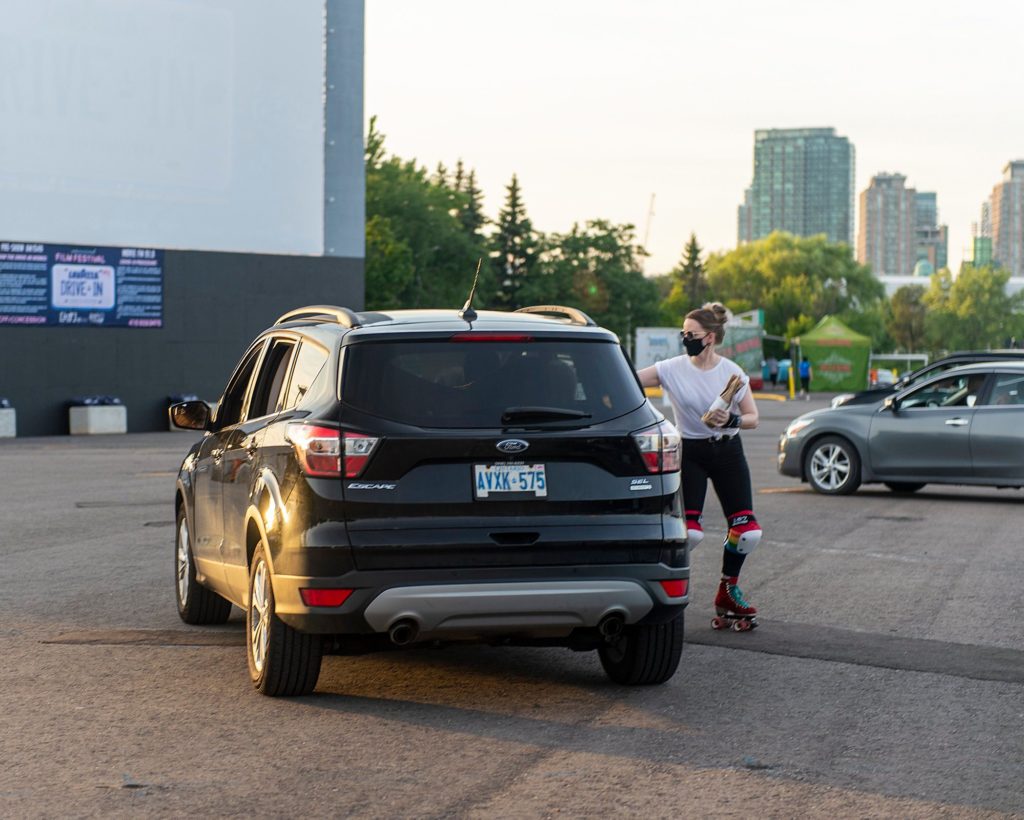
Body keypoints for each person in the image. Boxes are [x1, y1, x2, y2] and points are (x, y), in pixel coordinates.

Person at [637, 302, 762, 628]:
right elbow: (631, 381)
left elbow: (753, 418)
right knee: (689, 533)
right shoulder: (672, 368)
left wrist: (732, 418)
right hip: (690, 451)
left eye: (690, 334)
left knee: (747, 532)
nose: (685, 338)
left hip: (727, 451)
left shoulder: (732, 372)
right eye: (683, 333)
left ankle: (727, 589)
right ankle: (660, 589)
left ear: (709, 337)